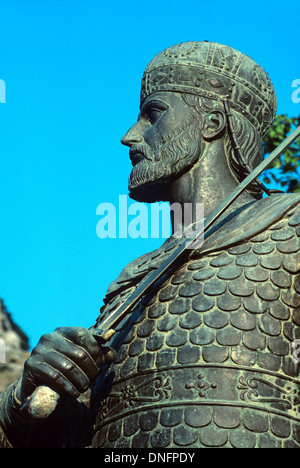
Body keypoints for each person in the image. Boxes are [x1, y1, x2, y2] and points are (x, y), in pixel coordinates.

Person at [1, 41, 300, 448]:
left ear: (212, 122)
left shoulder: (291, 226)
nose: (130, 136)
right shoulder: (131, 282)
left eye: (152, 115)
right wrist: (29, 392)